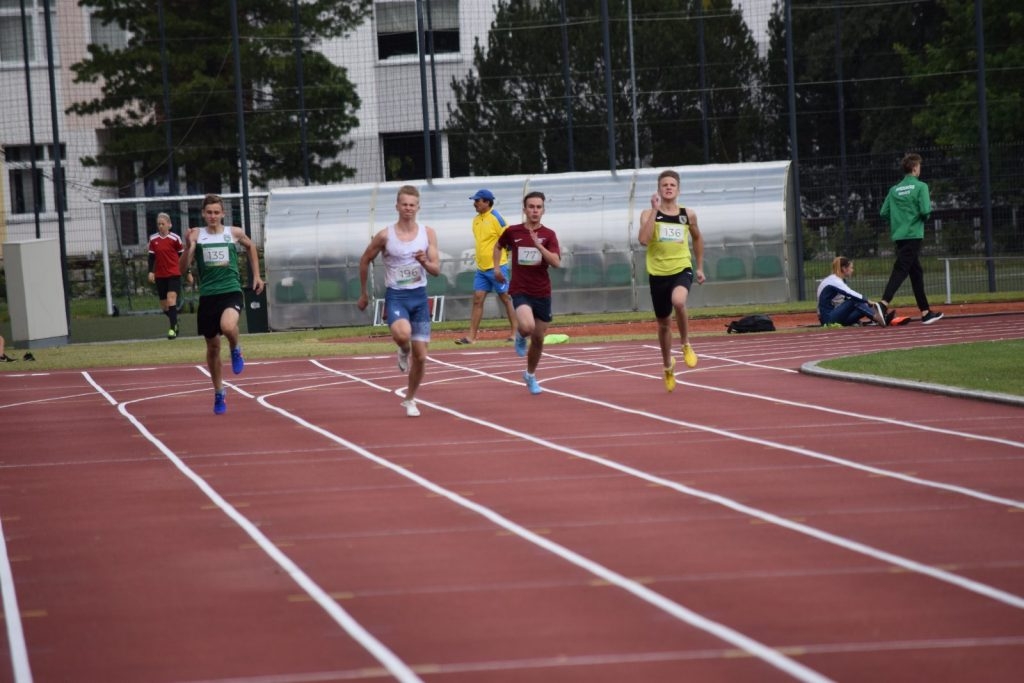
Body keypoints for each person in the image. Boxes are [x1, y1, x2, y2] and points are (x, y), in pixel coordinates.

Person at [357, 185, 441, 417]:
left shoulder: (428, 233)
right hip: (397, 297)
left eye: (412, 205)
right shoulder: (385, 235)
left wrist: (424, 262)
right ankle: (403, 349)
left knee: (422, 357)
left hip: (419, 297)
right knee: (403, 335)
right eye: (404, 204)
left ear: (418, 207)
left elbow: (436, 270)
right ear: (397, 206)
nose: (408, 209)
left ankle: (410, 399)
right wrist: (364, 293)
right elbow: (365, 260)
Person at [180, 194, 265, 415]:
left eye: (216, 212)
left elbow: (251, 246)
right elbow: (182, 270)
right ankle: (219, 392)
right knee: (212, 347)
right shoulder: (196, 235)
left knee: (228, 327)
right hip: (208, 296)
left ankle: (236, 348)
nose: (212, 216)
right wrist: (189, 247)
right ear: (203, 214)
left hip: (231, 292)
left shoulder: (233, 233)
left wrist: (257, 276)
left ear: (223, 214)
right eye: (209, 212)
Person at [637, 169, 705, 392]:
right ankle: (667, 366)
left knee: (679, 301)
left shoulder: (687, 214)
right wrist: (656, 211)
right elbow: (643, 240)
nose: (668, 187)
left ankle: (685, 343)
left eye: (672, 185)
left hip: (681, 268)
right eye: (664, 184)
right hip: (657, 273)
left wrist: (700, 267)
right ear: (659, 189)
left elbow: (697, 238)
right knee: (664, 324)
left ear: (678, 189)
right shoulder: (648, 214)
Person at [494, 191, 560, 395]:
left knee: (539, 339)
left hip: (542, 291)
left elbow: (556, 263)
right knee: (528, 326)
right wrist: (496, 268)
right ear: (524, 209)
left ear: (543, 210)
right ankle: (521, 335)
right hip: (520, 288)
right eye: (531, 207)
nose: (534, 210)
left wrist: (539, 245)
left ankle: (530, 375)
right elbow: (498, 246)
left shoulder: (549, 235)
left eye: (538, 207)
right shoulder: (513, 231)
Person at [877, 153, 943, 324]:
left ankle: (925, 312)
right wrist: (920, 219)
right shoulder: (921, 187)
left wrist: (898, 221)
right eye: (919, 166)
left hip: (899, 235)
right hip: (913, 234)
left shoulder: (894, 190)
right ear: (914, 168)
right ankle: (883, 304)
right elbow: (925, 210)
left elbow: (883, 212)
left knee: (916, 273)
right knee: (901, 269)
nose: (920, 169)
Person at [455, 189, 517, 345]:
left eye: (477, 201)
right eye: (474, 201)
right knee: (477, 299)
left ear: (487, 202)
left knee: (506, 298)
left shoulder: (497, 218)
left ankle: (516, 333)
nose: (474, 204)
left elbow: (509, 240)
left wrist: (502, 264)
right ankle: (471, 337)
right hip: (481, 269)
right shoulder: (475, 220)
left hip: (498, 267)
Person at [147, 212, 192, 339]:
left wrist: (187, 272)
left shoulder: (175, 239)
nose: (160, 226)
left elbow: (182, 257)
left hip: (174, 273)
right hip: (160, 275)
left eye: (163, 224)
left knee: (171, 300)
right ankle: (175, 320)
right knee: (164, 306)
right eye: (158, 224)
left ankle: (172, 329)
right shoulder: (153, 239)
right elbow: (151, 257)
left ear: (169, 225)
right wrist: (151, 271)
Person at [817, 256, 892, 327]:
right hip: (828, 319)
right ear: (844, 268)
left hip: (835, 317)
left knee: (863, 305)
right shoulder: (834, 280)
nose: (852, 270)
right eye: (851, 268)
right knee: (855, 300)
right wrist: (868, 300)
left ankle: (879, 318)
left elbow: (845, 299)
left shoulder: (838, 280)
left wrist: (866, 303)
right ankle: (877, 318)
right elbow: (850, 293)